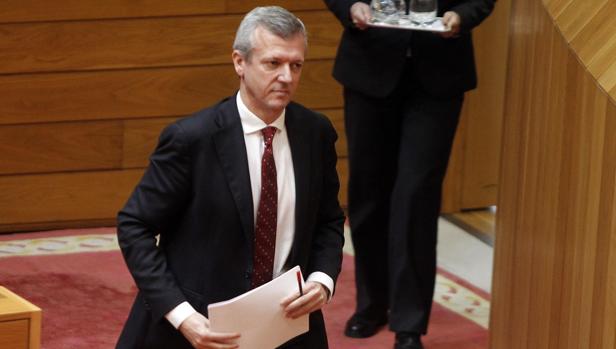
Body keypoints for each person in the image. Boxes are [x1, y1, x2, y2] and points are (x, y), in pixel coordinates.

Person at [115, 6, 345, 349]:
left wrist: (322, 280)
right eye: (273, 63)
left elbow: (328, 220)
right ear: (240, 62)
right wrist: (182, 315)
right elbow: (135, 226)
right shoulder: (192, 139)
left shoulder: (315, 133)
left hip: (287, 327)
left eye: (295, 65)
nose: (286, 76)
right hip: (199, 328)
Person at [323, 1, 495, 348]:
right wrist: (351, 6)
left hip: (439, 72)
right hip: (370, 65)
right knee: (368, 194)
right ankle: (371, 305)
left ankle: (410, 320)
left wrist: (463, 17)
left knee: (416, 194)